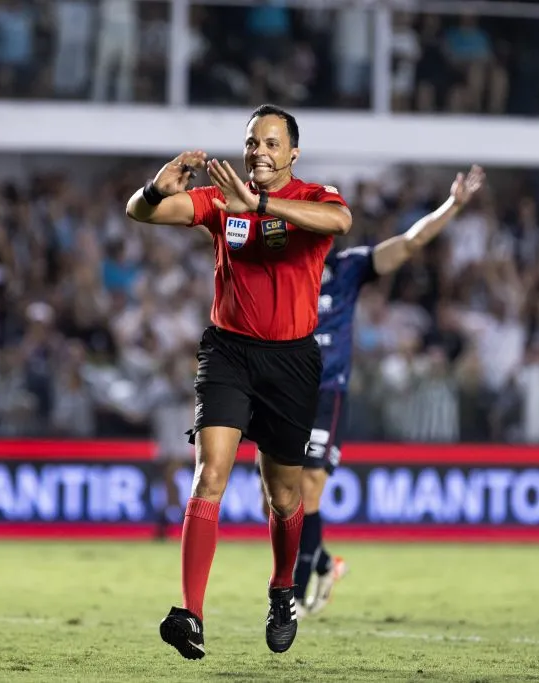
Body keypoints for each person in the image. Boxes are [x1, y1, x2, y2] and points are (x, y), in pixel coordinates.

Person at [124, 103, 352, 660]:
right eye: (253, 143)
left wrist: (263, 205)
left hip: (293, 361)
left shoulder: (316, 198)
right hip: (228, 352)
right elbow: (140, 213)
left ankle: (282, 591)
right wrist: (156, 187)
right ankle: (190, 614)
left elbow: (342, 224)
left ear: (293, 152)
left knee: (283, 494)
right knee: (210, 475)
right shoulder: (220, 201)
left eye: (272, 144)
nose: (260, 152)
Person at [259, 165, 486, 617]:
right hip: (285, 393)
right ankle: (323, 563)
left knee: (309, 486)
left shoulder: (350, 268)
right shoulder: (280, 269)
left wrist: (452, 206)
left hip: (328, 391)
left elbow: (410, 243)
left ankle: (291, 601)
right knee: (279, 496)